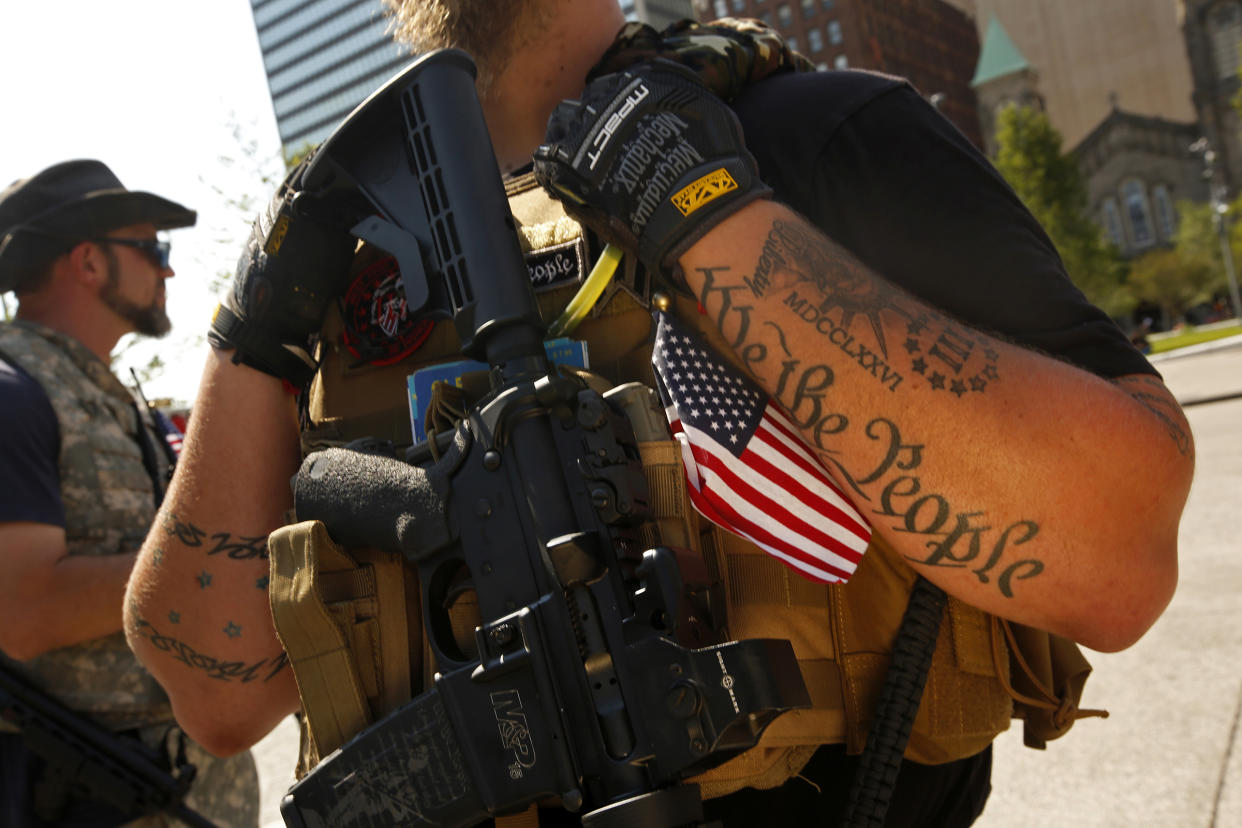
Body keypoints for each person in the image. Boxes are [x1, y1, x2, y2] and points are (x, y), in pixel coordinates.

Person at [124, 2, 1195, 826]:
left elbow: (1117, 562)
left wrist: (707, 216)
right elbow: (217, 697)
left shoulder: (810, 134)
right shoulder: (339, 262)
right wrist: (253, 333)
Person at [0, 159, 260, 827]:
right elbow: (22, 611)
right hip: (92, 795)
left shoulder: (108, 398)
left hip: (186, 788)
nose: (167, 270)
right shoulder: (14, 394)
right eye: (151, 249)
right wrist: (210, 565)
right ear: (87, 261)